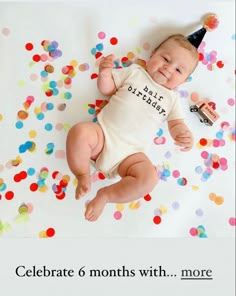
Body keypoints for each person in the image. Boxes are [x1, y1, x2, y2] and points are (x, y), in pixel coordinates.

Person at [66, 33, 198, 222]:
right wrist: (104, 74)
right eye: (165, 59)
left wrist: (183, 135)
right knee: (79, 132)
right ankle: (82, 174)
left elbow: (176, 124)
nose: (168, 68)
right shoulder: (135, 72)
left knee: (149, 178)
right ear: (152, 54)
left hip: (130, 157)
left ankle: (106, 195)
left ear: (184, 81)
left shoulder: (172, 99)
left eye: (178, 70)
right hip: (103, 136)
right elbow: (108, 89)